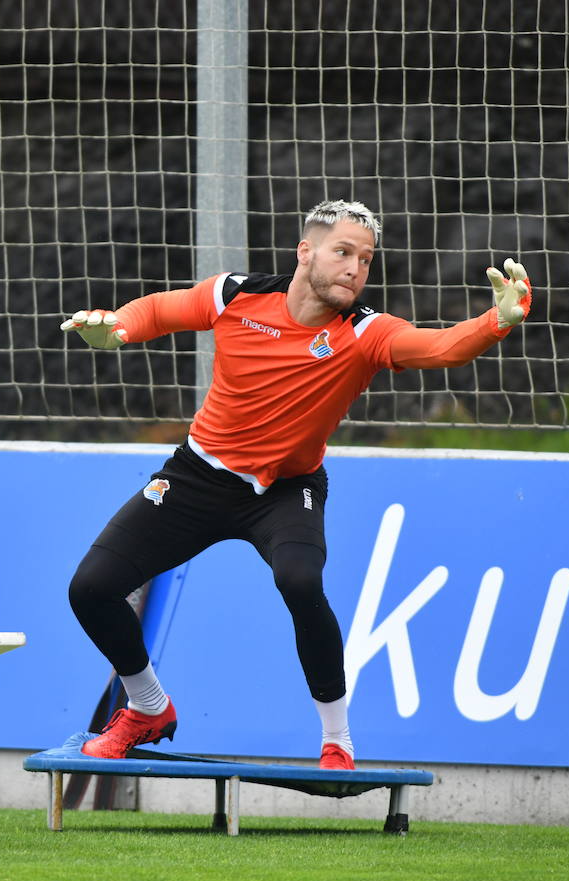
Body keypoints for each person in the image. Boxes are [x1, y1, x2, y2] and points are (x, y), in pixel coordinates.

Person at [60, 199, 533, 768]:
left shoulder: (363, 333)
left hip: (288, 490)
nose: (356, 267)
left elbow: (439, 349)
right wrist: (118, 330)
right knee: (90, 588)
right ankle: (147, 707)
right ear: (305, 250)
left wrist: (497, 321)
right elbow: (162, 309)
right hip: (197, 477)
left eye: (366, 258)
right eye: (343, 252)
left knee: (300, 579)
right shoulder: (236, 294)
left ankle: (337, 740)